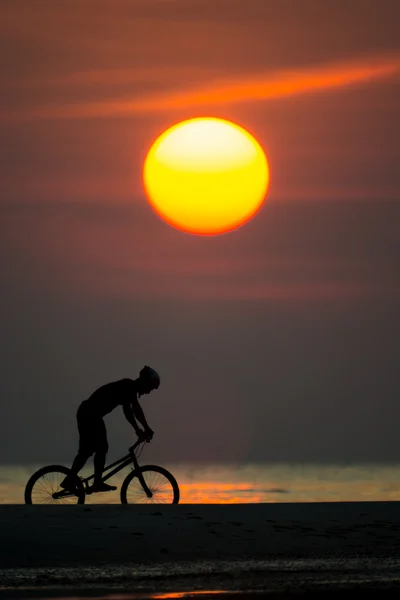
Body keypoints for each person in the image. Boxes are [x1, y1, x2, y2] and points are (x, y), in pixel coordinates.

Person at [61, 365, 160, 492]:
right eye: (150, 388)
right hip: (90, 414)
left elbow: (128, 411)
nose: (149, 392)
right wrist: (145, 428)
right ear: (144, 382)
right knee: (100, 448)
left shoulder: (129, 389)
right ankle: (95, 482)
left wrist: (138, 429)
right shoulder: (129, 386)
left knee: (88, 451)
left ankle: (71, 480)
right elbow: (136, 410)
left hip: (89, 413)